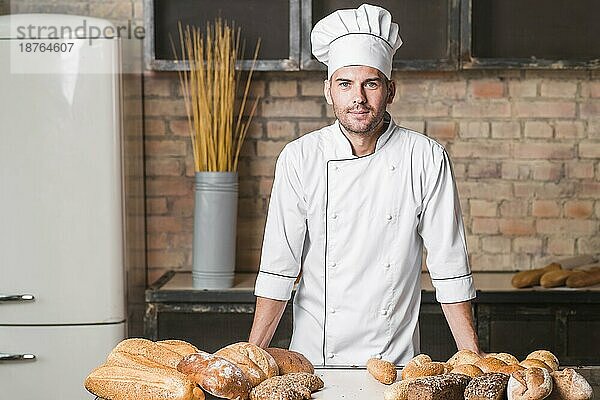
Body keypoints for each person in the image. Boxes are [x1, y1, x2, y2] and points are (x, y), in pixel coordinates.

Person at [248, 4, 481, 366]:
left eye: (370, 83)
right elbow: (280, 269)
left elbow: (449, 269)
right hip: (313, 362)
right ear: (329, 91)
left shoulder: (425, 157)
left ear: (390, 90)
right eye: (345, 84)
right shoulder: (300, 158)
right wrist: (253, 359)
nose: (358, 97)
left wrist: (474, 358)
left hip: (395, 363)